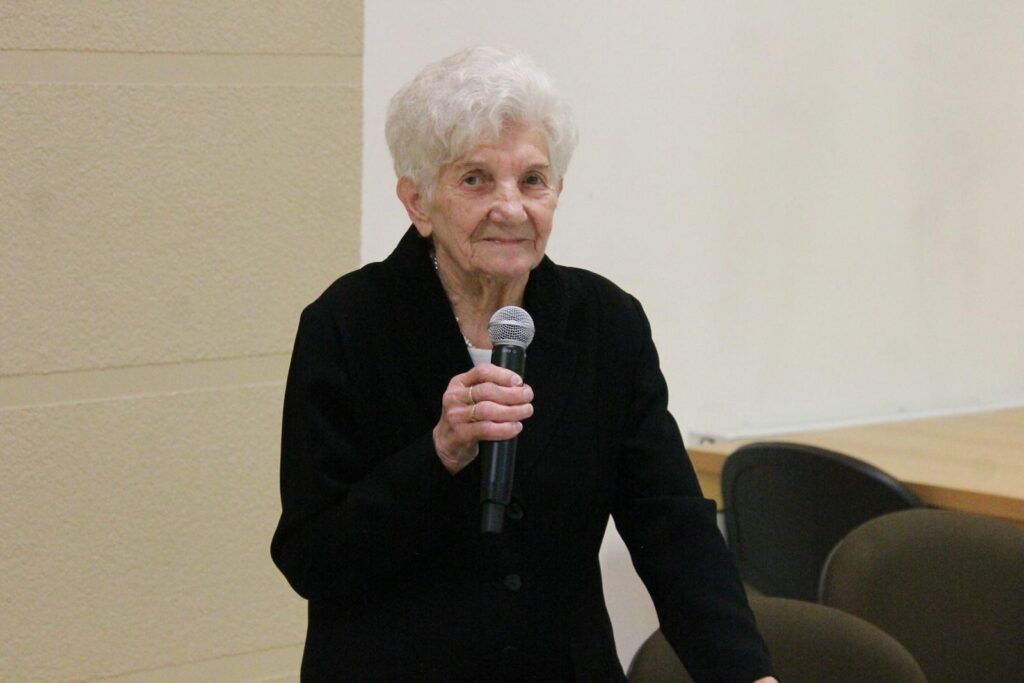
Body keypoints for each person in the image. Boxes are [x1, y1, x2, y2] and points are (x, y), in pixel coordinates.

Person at [271, 46, 777, 682]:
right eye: (475, 179)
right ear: (418, 201)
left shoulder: (605, 323)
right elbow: (312, 556)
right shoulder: (348, 324)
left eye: (533, 180)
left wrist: (745, 673)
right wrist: (439, 453)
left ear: (557, 191)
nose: (511, 208)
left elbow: (672, 525)